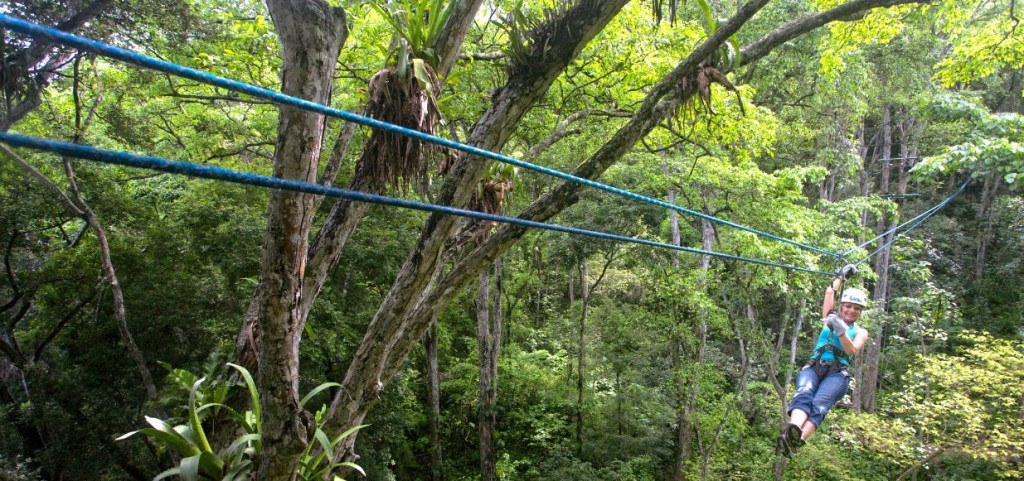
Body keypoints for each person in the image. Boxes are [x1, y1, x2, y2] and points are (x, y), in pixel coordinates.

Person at [779, 266, 870, 456]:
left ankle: (799, 440)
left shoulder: (861, 331)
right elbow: (830, 291)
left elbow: (851, 349)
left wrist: (840, 330)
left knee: (819, 404)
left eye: (856, 308)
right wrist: (841, 277)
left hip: (837, 375)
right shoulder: (829, 317)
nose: (851, 310)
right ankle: (792, 429)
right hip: (814, 366)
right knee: (803, 394)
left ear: (860, 312)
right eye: (848, 306)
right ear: (841, 306)